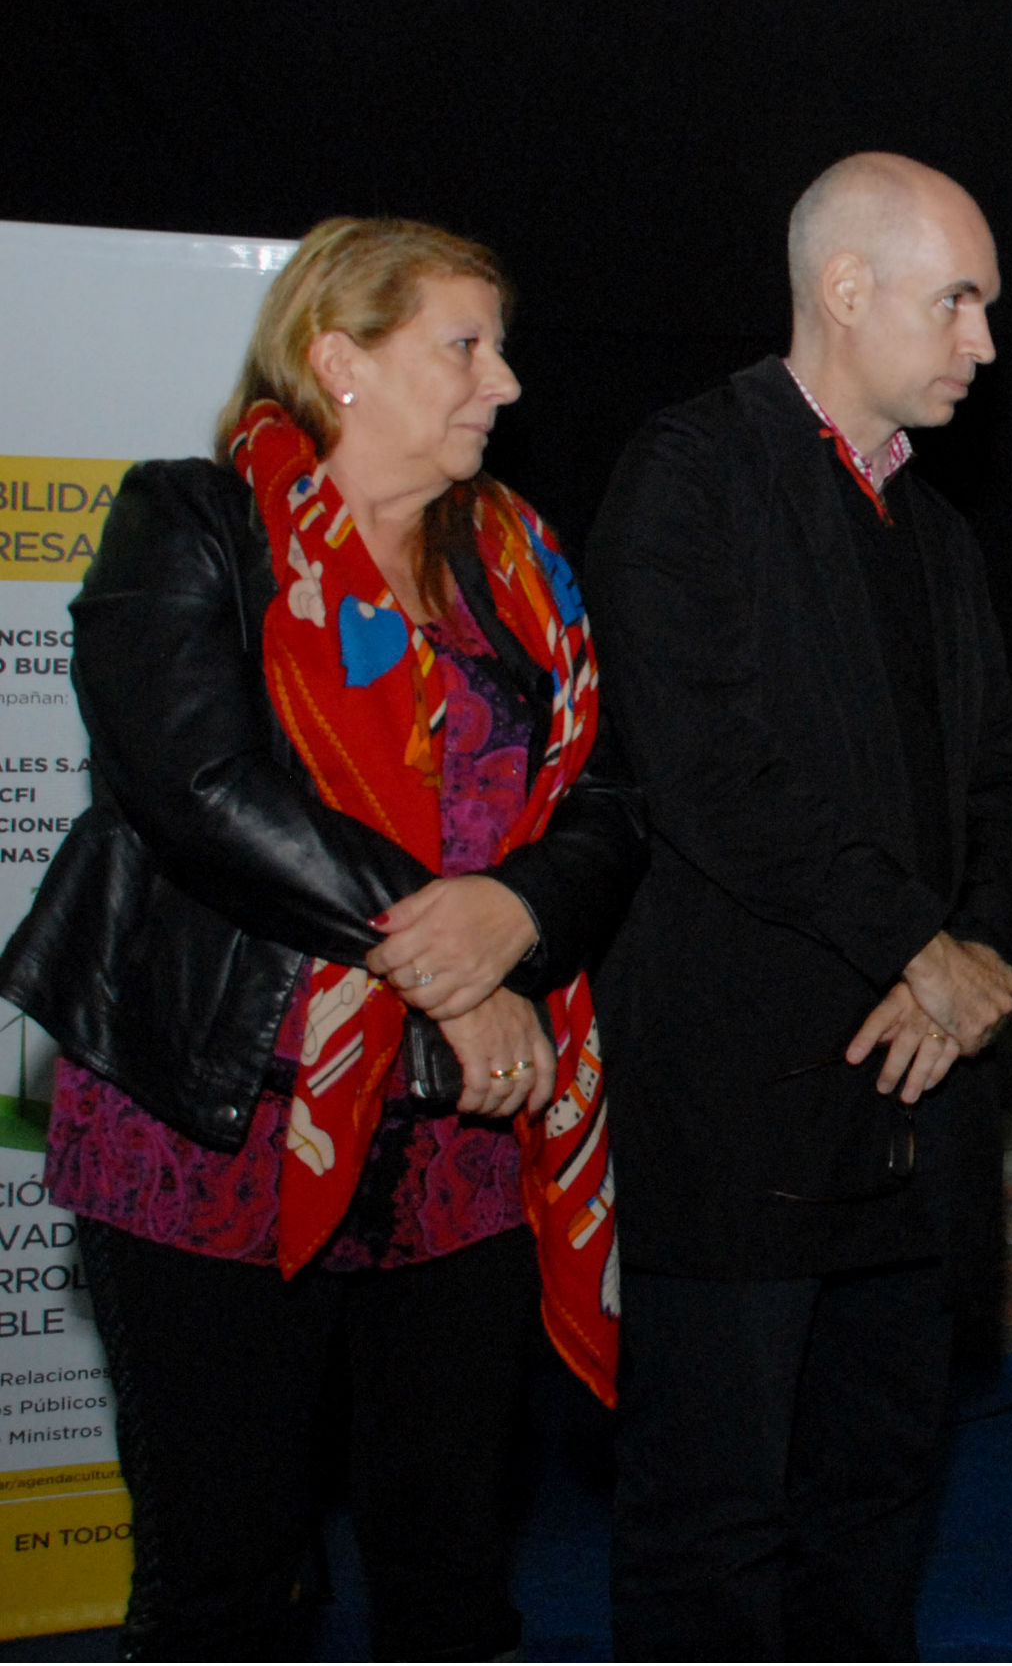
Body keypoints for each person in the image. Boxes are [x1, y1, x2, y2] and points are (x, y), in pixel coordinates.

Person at [0, 216, 645, 1659]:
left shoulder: (517, 560)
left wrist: (520, 913)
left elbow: (608, 798)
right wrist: (452, 967)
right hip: (218, 1125)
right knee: (227, 1580)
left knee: (451, 1566)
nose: (504, 382)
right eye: (463, 345)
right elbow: (197, 785)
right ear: (339, 359)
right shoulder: (188, 521)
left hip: (464, 1145)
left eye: (499, 346)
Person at [583, 151, 1012, 1659]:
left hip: (917, 1107)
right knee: (712, 1518)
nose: (983, 341)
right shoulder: (690, 472)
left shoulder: (939, 532)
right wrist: (919, 943)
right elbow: (705, 772)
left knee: (877, 1491)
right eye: (956, 300)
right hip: (739, 1110)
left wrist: (967, 961)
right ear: (846, 289)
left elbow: (1005, 785)